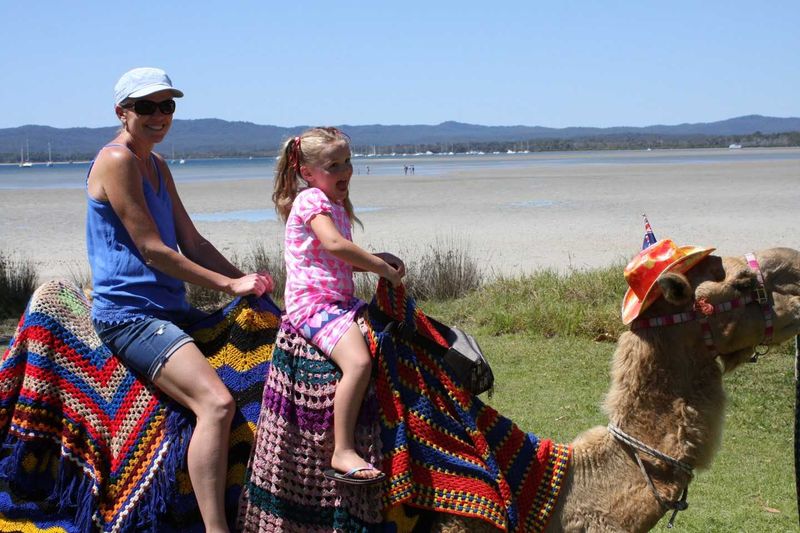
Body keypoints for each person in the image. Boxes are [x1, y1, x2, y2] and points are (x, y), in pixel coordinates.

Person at [86, 67, 273, 533]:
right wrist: (228, 287)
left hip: (172, 310)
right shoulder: (117, 160)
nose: (158, 115)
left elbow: (191, 240)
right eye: (145, 106)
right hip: (130, 315)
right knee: (216, 404)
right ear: (121, 112)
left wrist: (245, 280)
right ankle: (216, 528)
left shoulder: (157, 164)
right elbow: (152, 248)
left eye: (166, 106)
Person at [272, 127, 404, 484]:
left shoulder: (334, 204)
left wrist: (378, 259)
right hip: (314, 305)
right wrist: (379, 267)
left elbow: (339, 259)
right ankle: (342, 450)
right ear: (308, 173)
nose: (345, 170)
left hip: (340, 301)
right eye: (334, 164)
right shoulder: (312, 201)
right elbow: (333, 244)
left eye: (348, 161)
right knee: (359, 362)